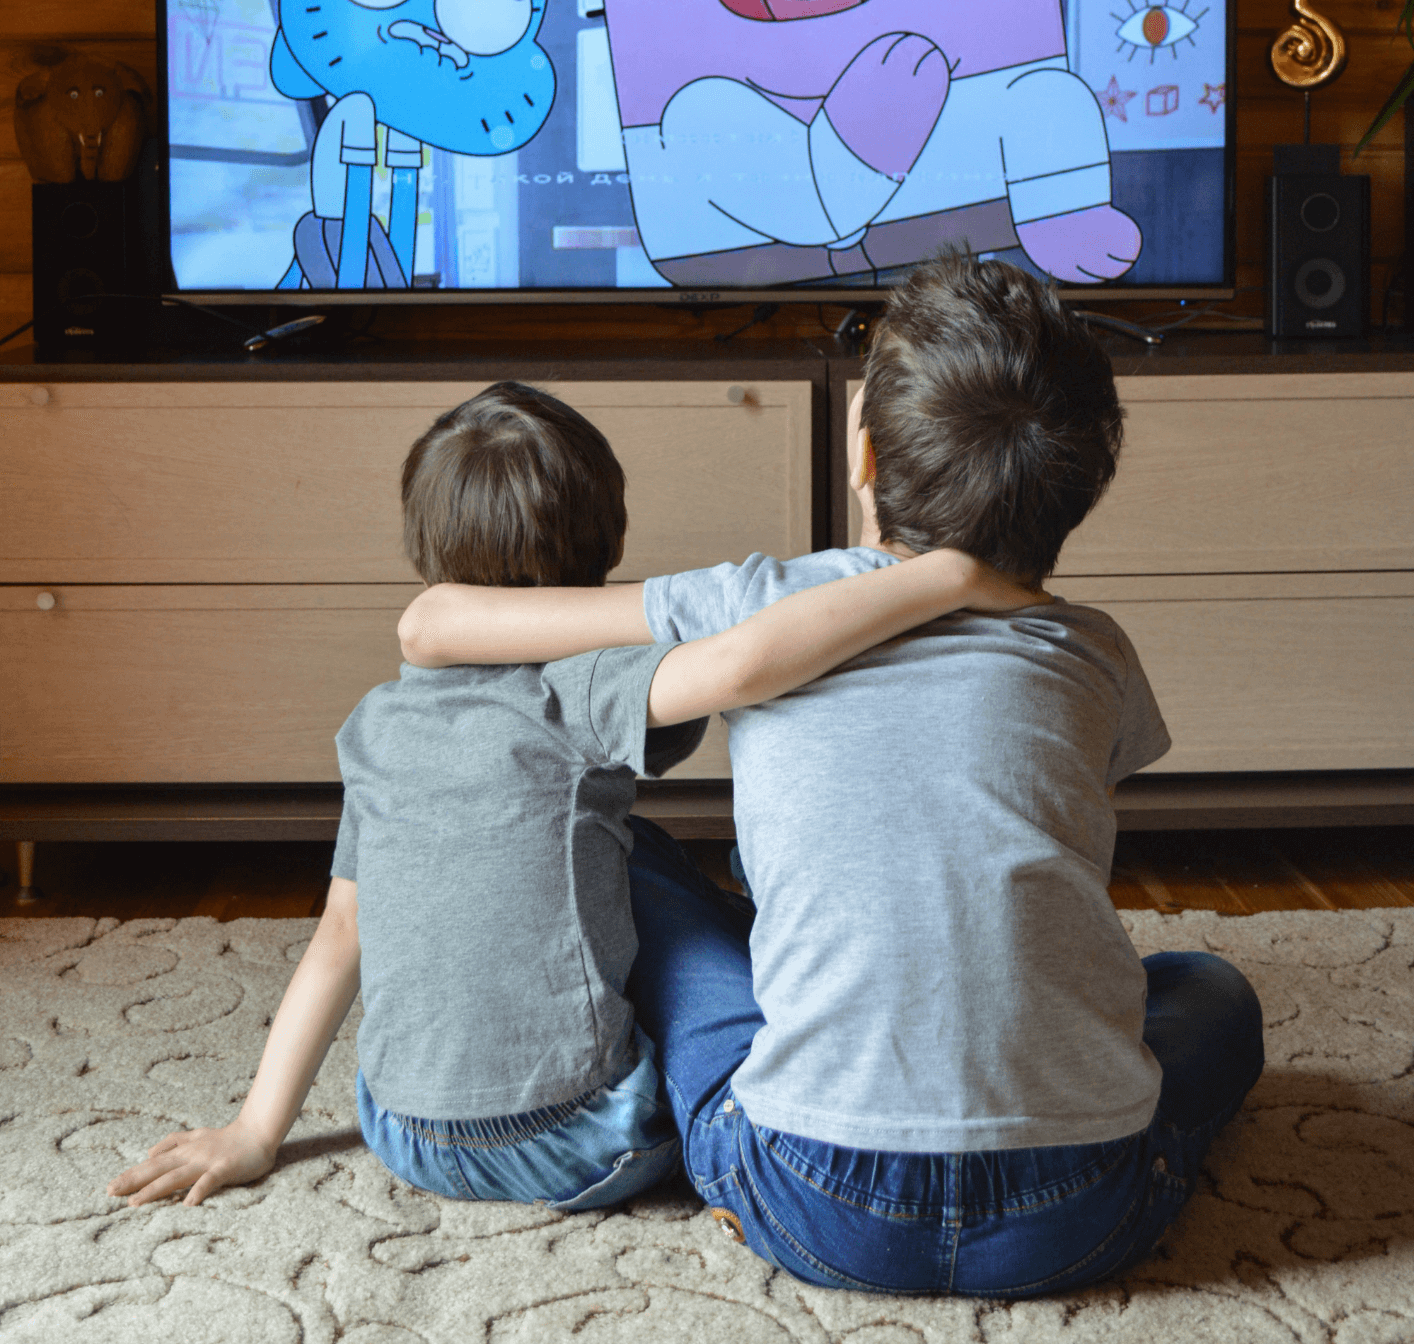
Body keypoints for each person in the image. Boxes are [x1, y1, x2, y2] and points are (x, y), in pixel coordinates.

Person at [395, 258, 1265, 1296]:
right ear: (1079, 490)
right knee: (1209, 990)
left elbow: (436, 622)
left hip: (812, 1196)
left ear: (861, 452)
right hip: (1073, 1210)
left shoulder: (756, 599)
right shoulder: (1093, 650)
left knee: (643, 864)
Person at [107, 378, 1033, 1216]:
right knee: (658, 880)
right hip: (579, 1140)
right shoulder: (588, 688)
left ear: (421, 545)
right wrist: (940, 577)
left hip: (402, 1129)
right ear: (608, 542)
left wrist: (255, 1132)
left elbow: (339, 937)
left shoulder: (376, 722)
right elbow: (747, 665)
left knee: (619, 851)